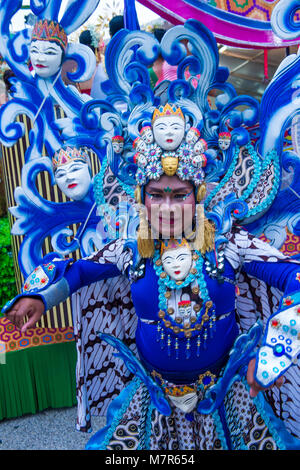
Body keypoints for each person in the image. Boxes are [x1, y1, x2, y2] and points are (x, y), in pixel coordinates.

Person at [3, 103, 300, 450]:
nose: (169, 207)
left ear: (198, 194)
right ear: (140, 198)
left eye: (180, 194)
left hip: (228, 397)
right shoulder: (130, 250)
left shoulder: (228, 244)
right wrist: (40, 296)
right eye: (156, 195)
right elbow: (80, 269)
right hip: (153, 399)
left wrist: (275, 350)